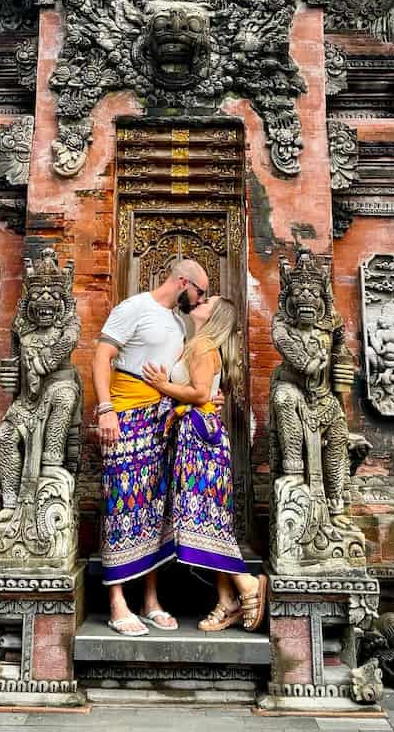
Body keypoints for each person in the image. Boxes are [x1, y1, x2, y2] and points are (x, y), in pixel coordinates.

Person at [93, 258, 210, 637]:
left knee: (154, 508)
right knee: (121, 502)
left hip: (161, 420)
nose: (201, 298)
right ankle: (116, 602)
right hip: (124, 414)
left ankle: (150, 600)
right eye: (200, 291)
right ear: (182, 282)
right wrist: (105, 409)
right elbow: (101, 356)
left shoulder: (178, 322)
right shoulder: (134, 308)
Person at [143, 296, 267, 633]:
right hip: (200, 432)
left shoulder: (202, 346)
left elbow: (199, 393)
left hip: (200, 436)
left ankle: (247, 585)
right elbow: (204, 391)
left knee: (201, 516)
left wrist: (162, 386)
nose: (197, 302)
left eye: (205, 301)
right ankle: (226, 600)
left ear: (213, 316)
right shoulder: (196, 345)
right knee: (209, 516)